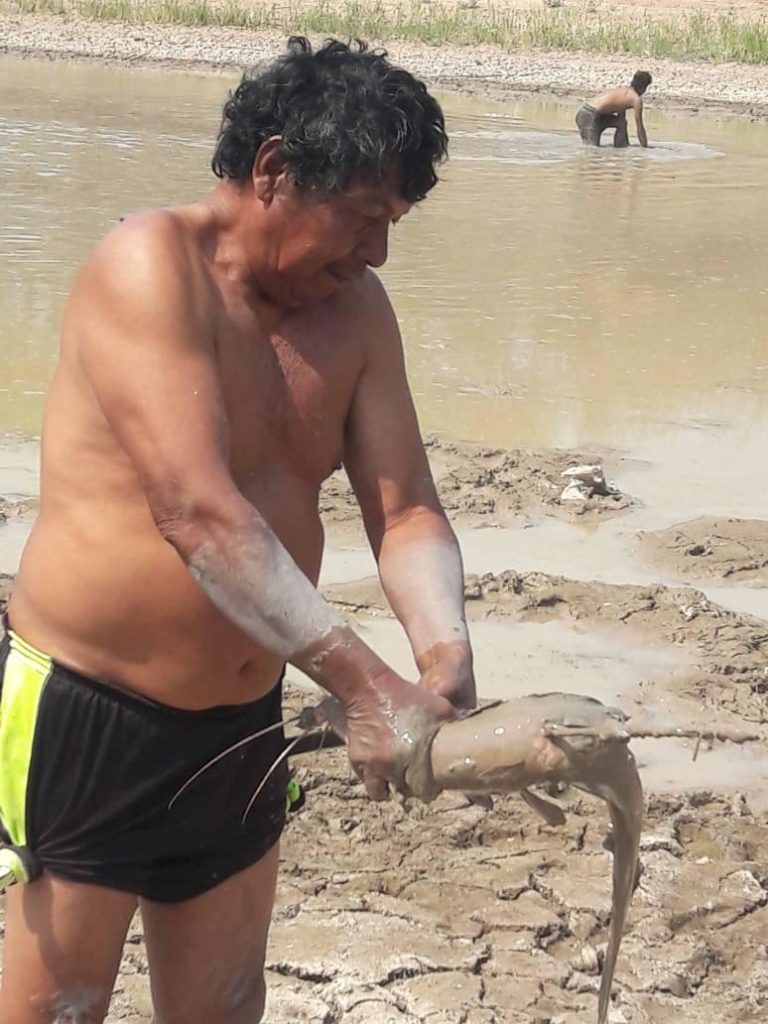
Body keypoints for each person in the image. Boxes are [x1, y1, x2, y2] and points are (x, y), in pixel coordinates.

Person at [0, 37, 476, 1023]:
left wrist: (443, 656)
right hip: (90, 714)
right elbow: (199, 516)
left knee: (222, 1008)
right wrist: (366, 687)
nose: (376, 253)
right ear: (273, 170)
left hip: (241, 725)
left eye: (392, 226)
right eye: (364, 217)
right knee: (56, 1010)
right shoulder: (147, 266)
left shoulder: (357, 314)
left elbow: (404, 508)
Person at [575, 70, 652, 148]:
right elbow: (639, 127)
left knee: (621, 123)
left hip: (587, 114)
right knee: (591, 149)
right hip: (589, 115)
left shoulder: (624, 92)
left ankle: (621, 148)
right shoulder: (636, 100)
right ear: (643, 87)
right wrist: (645, 147)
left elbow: (621, 119)